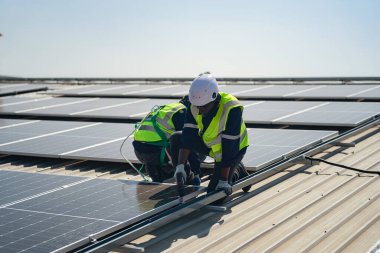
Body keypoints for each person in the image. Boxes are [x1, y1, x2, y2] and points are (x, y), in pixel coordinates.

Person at [173, 73, 251, 195]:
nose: (200, 110)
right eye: (198, 106)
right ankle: (188, 180)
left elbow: (229, 147)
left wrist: (223, 180)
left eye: (204, 106)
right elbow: (188, 135)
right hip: (212, 147)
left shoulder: (231, 108)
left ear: (215, 98)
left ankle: (236, 172)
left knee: (215, 196)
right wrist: (180, 166)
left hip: (234, 150)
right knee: (176, 138)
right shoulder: (195, 104)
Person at [133, 96, 202, 184]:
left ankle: (159, 172)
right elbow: (188, 142)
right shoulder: (183, 112)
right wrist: (196, 172)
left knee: (169, 139)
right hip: (156, 153)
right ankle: (186, 178)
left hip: (139, 152)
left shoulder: (169, 108)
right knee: (183, 142)